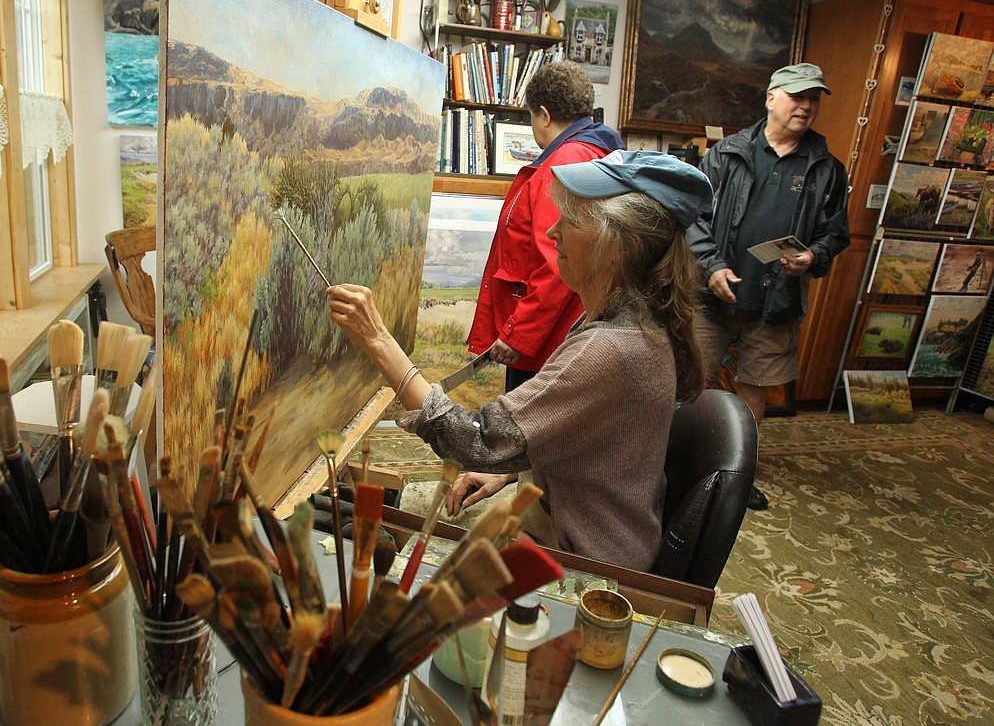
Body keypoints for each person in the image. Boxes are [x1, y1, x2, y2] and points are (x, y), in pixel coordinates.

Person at [327, 150, 712, 570]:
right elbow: (585, 435)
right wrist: (514, 469)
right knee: (381, 510)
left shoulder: (612, 349)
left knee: (372, 555)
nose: (552, 231)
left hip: (586, 561)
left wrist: (378, 340)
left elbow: (472, 441)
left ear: (620, 247)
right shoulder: (638, 320)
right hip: (574, 518)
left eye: (572, 219)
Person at [688, 63, 850, 511]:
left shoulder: (827, 169)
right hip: (712, 295)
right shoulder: (725, 155)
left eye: (813, 98)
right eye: (797, 96)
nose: (806, 105)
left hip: (776, 301)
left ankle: (734, 474)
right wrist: (712, 266)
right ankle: (684, 464)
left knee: (755, 391)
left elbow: (836, 233)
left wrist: (813, 256)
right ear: (772, 97)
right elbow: (693, 216)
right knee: (691, 380)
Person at [469, 60, 623, 391]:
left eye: (531, 117)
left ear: (544, 115)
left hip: (546, 343)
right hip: (562, 331)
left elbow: (557, 261)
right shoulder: (593, 152)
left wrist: (519, 335)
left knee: (529, 434)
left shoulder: (565, 162)